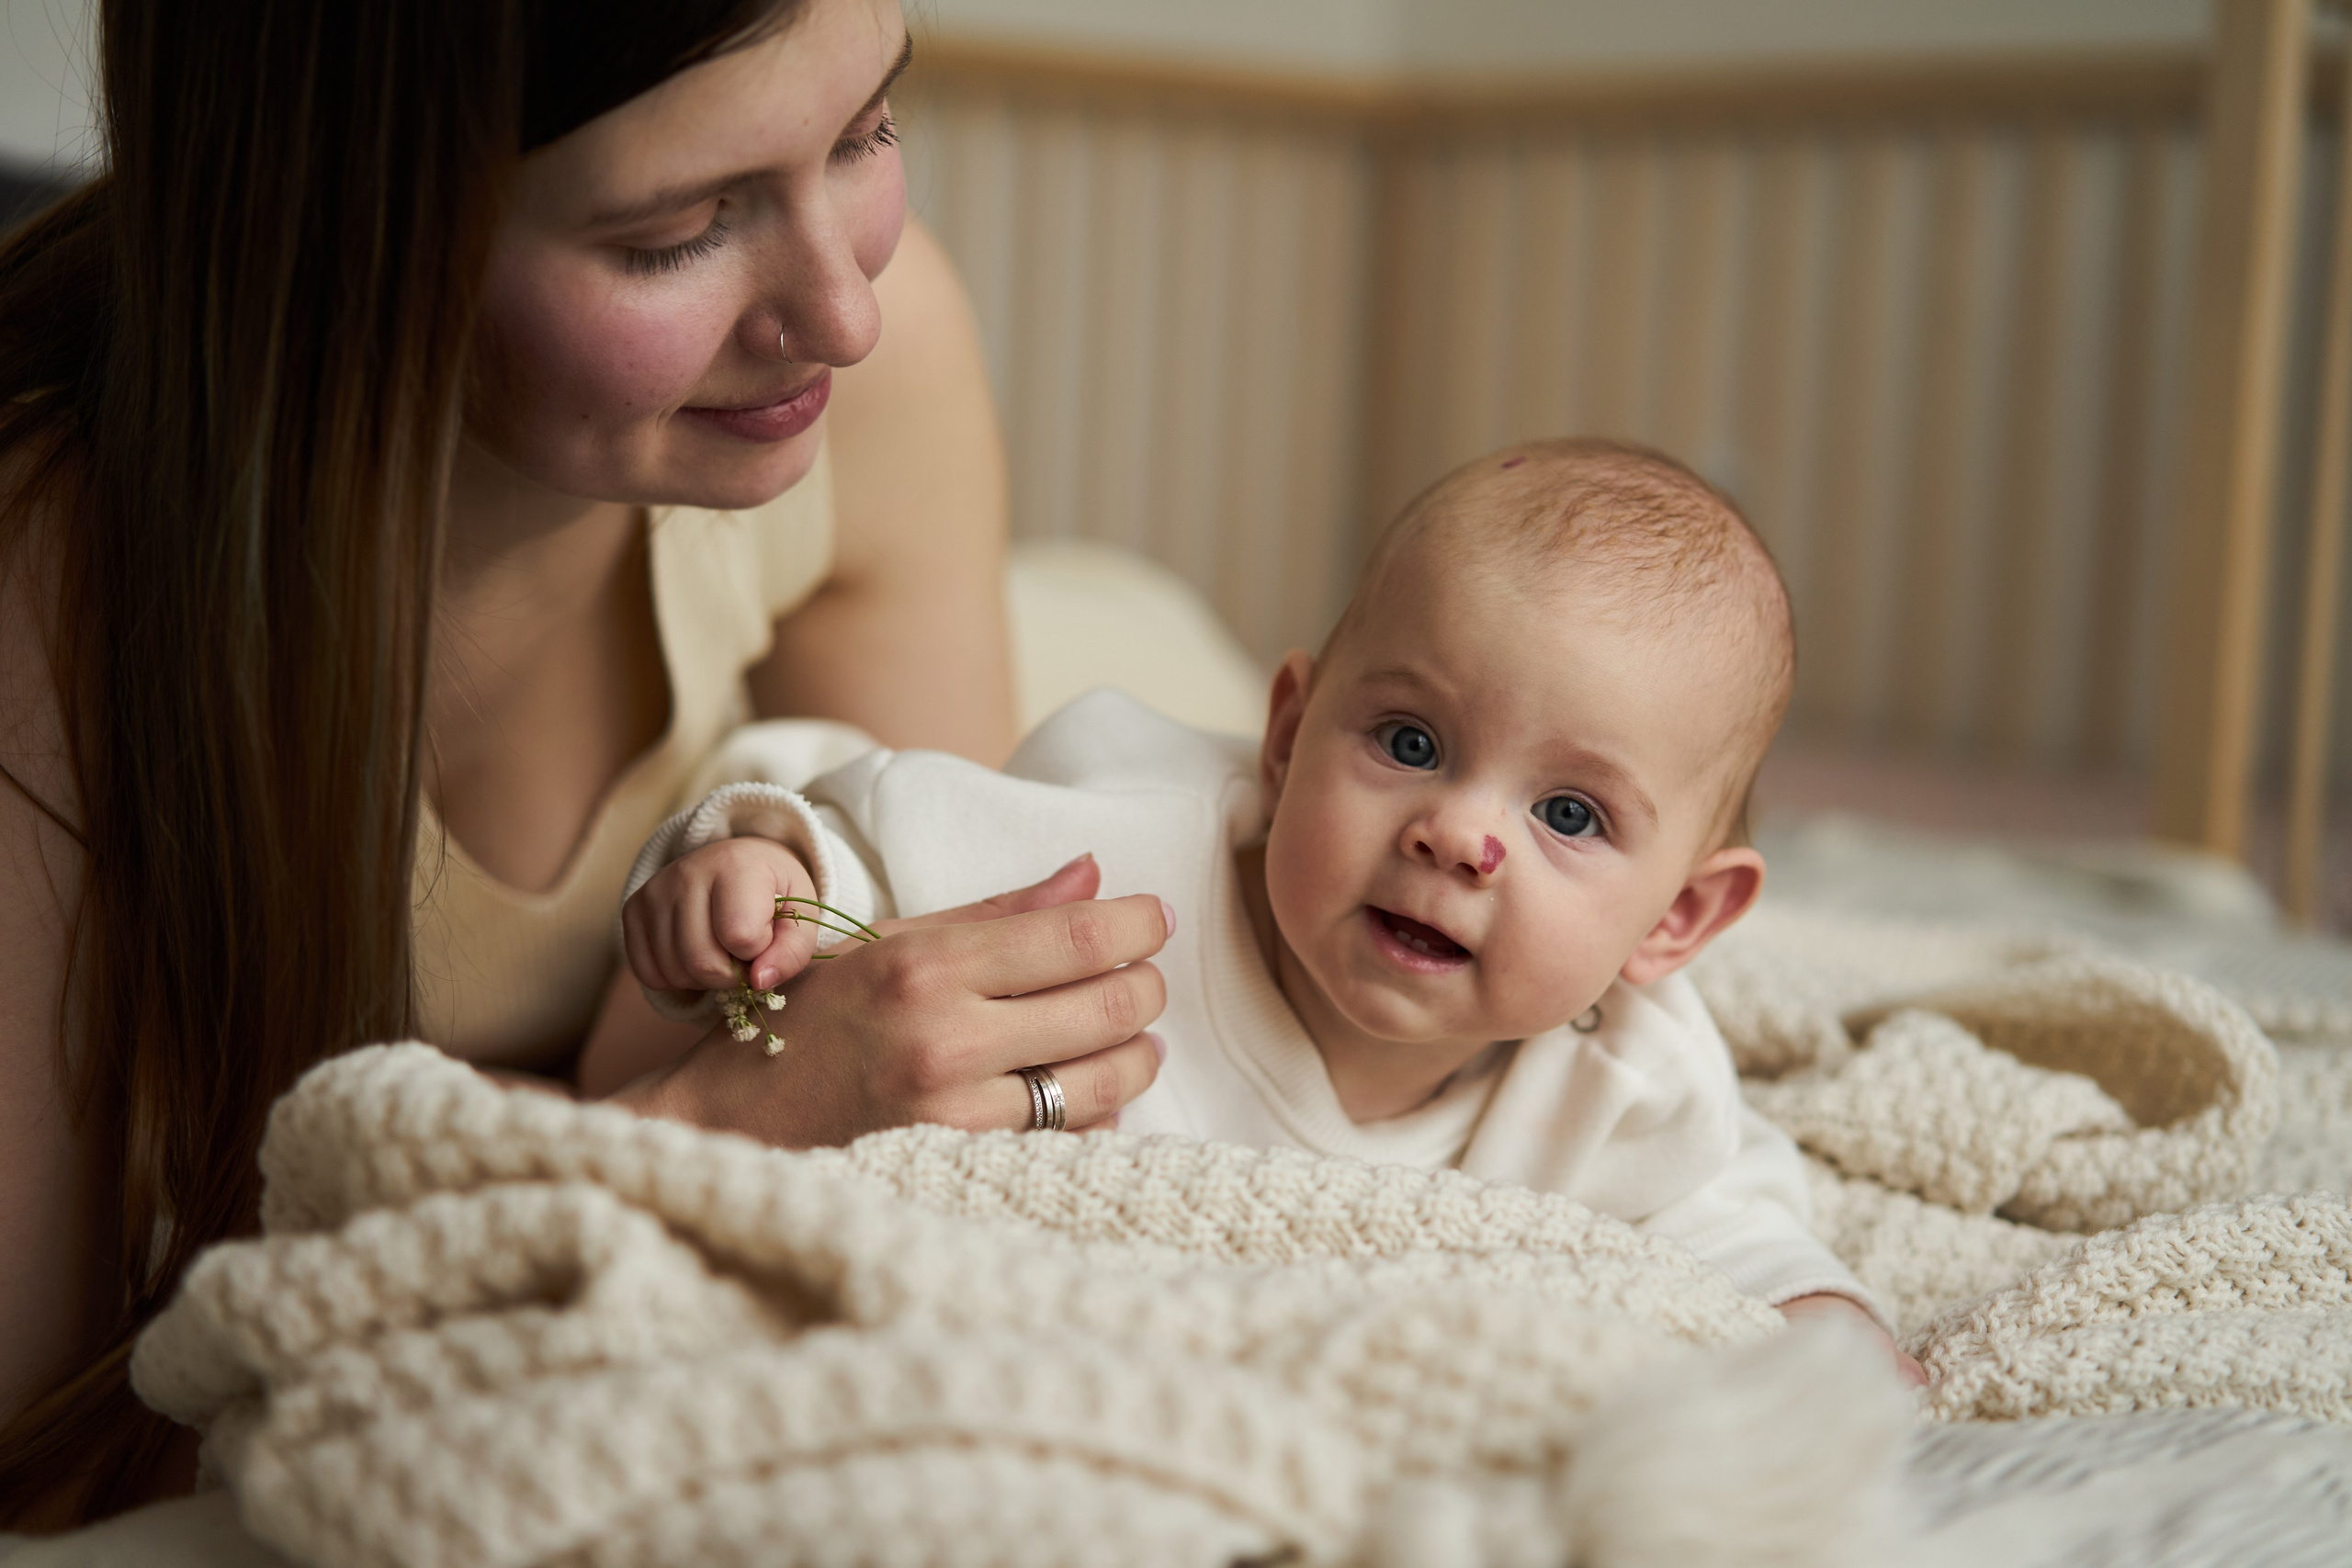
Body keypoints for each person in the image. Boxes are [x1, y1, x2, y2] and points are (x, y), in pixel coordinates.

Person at [0, 0, 1170, 1526]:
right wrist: (700, 1134)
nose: (844, 315)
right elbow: (52, 1436)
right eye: (679, 232)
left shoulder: (880, 377)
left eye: (867, 133)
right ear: (349, 233)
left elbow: (929, 1041)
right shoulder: (50, 572)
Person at [615, 437, 1924, 1380]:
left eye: (1569, 817)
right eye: (1410, 741)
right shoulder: (1121, 844)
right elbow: (876, 839)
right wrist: (770, 875)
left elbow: (1725, 1214)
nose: (1460, 833)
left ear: (1675, 924)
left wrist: (1823, 1315)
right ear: (1289, 736)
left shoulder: (1624, 1076)